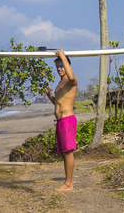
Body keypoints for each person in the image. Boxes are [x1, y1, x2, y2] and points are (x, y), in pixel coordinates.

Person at [45, 49, 78, 191]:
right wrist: (48, 95)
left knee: (68, 152)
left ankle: (69, 184)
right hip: (60, 122)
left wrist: (63, 56)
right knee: (64, 153)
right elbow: (57, 103)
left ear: (67, 66)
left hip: (67, 120)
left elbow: (71, 77)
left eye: (62, 66)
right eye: (57, 66)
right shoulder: (60, 84)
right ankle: (67, 182)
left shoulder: (72, 82)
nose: (59, 69)